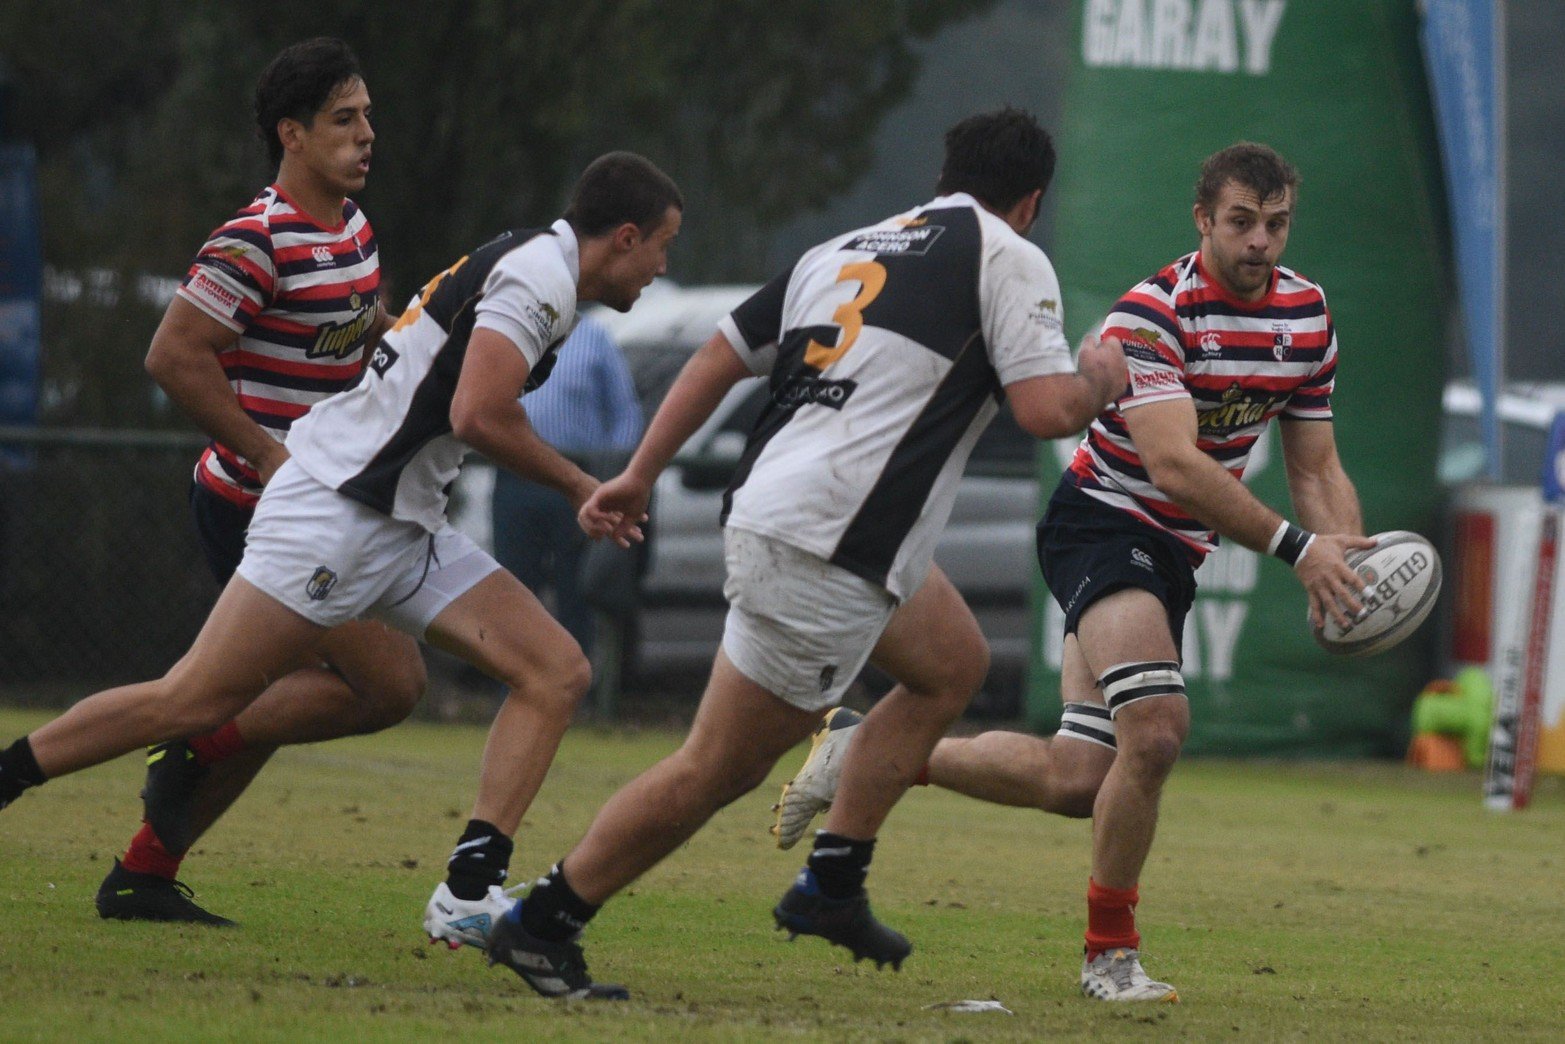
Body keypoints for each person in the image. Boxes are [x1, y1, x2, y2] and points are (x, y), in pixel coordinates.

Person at [480, 108, 1126, 1001]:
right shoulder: (1006, 255)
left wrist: (639, 472)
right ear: (1030, 201)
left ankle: (833, 881)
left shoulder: (848, 245)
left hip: (794, 515)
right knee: (718, 768)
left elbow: (719, 353)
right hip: (829, 542)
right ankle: (542, 921)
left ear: (947, 173)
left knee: (950, 664)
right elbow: (1048, 410)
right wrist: (1102, 376)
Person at [0, 153, 684, 970]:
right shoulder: (538, 277)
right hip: (336, 513)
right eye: (662, 248)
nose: (663, 268)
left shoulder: (538, 264)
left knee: (555, 669)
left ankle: (468, 893)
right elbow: (477, 414)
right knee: (190, 699)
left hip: (401, 524)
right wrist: (582, 484)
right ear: (627, 236)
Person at [770, 142, 1377, 1003]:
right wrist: (1297, 551)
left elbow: (1315, 469)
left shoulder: (1307, 316)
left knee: (1075, 778)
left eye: (1275, 225)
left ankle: (872, 751)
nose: (1259, 244)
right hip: (1103, 522)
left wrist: (1343, 564)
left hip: (1176, 548)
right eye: (1240, 222)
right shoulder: (1151, 315)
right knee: (1158, 730)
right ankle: (1109, 957)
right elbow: (1171, 467)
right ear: (1202, 219)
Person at [85, 37, 428, 926]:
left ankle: (144, 872)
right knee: (386, 687)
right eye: (345, 120)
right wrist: (271, 458)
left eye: (367, 117)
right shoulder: (256, 237)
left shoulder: (351, 225)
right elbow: (173, 356)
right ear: (293, 134)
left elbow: (363, 326)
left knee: (284, 700)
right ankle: (193, 744)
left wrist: (424, 350)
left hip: (323, 507)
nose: (367, 135)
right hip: (253, 502)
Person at [489, 312, 642, 669]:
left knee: (577, 589)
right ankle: (511, 684)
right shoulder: (511, 332)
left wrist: (612, 473)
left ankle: (576, 688)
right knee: (511, 586)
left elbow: (626, 415)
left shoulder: (594, 337)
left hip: (579, 482)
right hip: (516, 479)